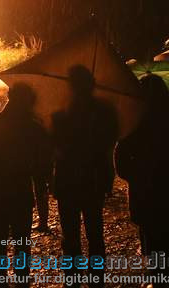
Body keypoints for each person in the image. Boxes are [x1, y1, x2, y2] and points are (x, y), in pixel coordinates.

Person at [0, 82, 49, 282]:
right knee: (21, 240)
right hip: (20, 188)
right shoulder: (34, 127)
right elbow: (41, 160)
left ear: (10, 96)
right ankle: (21, 279)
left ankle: (0, 278)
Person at [51, 65, 118, 268]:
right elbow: (110, 142)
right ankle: (96, 278)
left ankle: (72, 278)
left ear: (70, 86)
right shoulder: (106, 112)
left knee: (70, 235)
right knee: (95, 233)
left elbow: (55, 150)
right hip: (94, 179)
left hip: (67, 181)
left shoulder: (59, 116)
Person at [115, 74, 169, 260]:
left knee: (150, 233)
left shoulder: (136, 123)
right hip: (168, 187)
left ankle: (158, 275)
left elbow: (121, 157)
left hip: (143, 189)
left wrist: (134, 175)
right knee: (166, 233)